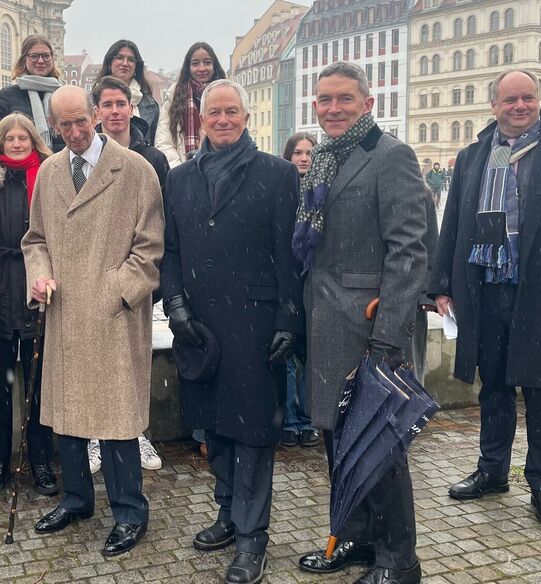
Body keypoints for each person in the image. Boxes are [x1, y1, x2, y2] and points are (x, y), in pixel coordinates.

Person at [429, 70, 541, 530]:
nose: (520, 106)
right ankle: (492, 471)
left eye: (528, 98)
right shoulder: (473, 156)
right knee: (493, 388)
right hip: (487, 289)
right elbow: (454, 225)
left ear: (538, 100)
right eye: (510, 99)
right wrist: (441, 285)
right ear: (494, 105)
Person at [161, 79, 303, 584]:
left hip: (256, 325)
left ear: (246, 117)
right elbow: (170, 251)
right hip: (201, 325)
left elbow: (290, 254)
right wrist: (175, 305)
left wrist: (288, 318)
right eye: (214, 112)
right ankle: (227, 512)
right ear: (201, 118)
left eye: (231, 112)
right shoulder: (180, 179)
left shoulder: (278, 174)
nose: (222, 120)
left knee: (254, 432)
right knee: (214, 426)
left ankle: (251, 538)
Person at [293, 62, 428, 584]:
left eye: (344, 99)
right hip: (325, 324)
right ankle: (355, 535)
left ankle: (399, 561)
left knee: (380, 448)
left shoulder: (390, 155)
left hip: (367, 328)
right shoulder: (324, 158)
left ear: (367, 104)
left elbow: (408, 252)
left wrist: (388, 336)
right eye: (324, 99)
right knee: (338, 439)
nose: (333, 109)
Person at [22, 85, 164, 557]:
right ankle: (77, 500)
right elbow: (35, 239)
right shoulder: (49, 172)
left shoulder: (136, 170)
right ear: (53, 126)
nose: (75, 131)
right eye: (65, 124)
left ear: (96, 115)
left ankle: (130, 512)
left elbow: (150, 249)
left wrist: (116, 293)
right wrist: (39, 276)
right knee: (68, 416)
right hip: (64, 311)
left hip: (114, 316)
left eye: (81, 120)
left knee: (117, 420)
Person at [0, 113, 59, 499]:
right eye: (10, 139)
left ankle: (40, 459)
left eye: (23, 138)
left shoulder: (50, 175)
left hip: (37, 284)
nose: (17, 144)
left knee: (38, 385)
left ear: (33, 141)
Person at [84, 75, 169, 473]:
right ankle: (94, 436)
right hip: (90, 280)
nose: (115, 111)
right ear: (96, 112)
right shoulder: (83, 157)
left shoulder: (151, 159)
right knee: (93, 362)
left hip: (134, 278)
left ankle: (137, 433)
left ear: (131, 108)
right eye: (108, 105)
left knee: (134, 362)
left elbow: (159, 222)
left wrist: (137, 281)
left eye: (121, 104)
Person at [280, 132, 319, 449]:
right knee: (289, 360)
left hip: (315, 285)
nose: (304, 158)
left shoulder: (323, 190)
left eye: (309, 153)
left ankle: (308, 420)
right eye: (298, 152)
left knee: (311, 358)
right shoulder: (280, 190)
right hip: (288, 285)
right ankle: (290, 420)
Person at [0, 34, 64, 152]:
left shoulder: (64, 95)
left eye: (46, 56)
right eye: (34, 56)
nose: (41, 61)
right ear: (24, 59)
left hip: (59, 163)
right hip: (23, 164)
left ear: (52, 58)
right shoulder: (7, 96)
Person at [155, 42, 227, 168]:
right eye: (195, 63)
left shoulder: (227, 94)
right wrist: (181, 171)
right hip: (183, 170)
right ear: (188, 67)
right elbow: (163, 141)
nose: (202, 68)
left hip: (222, 169)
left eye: (207, 62)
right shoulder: (174, 95)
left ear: (214, 65)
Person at [98, 40, 160, 136]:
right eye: (120, 57)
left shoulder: (150, 105)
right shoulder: (91, 101)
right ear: (110, 63)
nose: (125, 63)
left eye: (131, 60)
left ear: (136, 66)